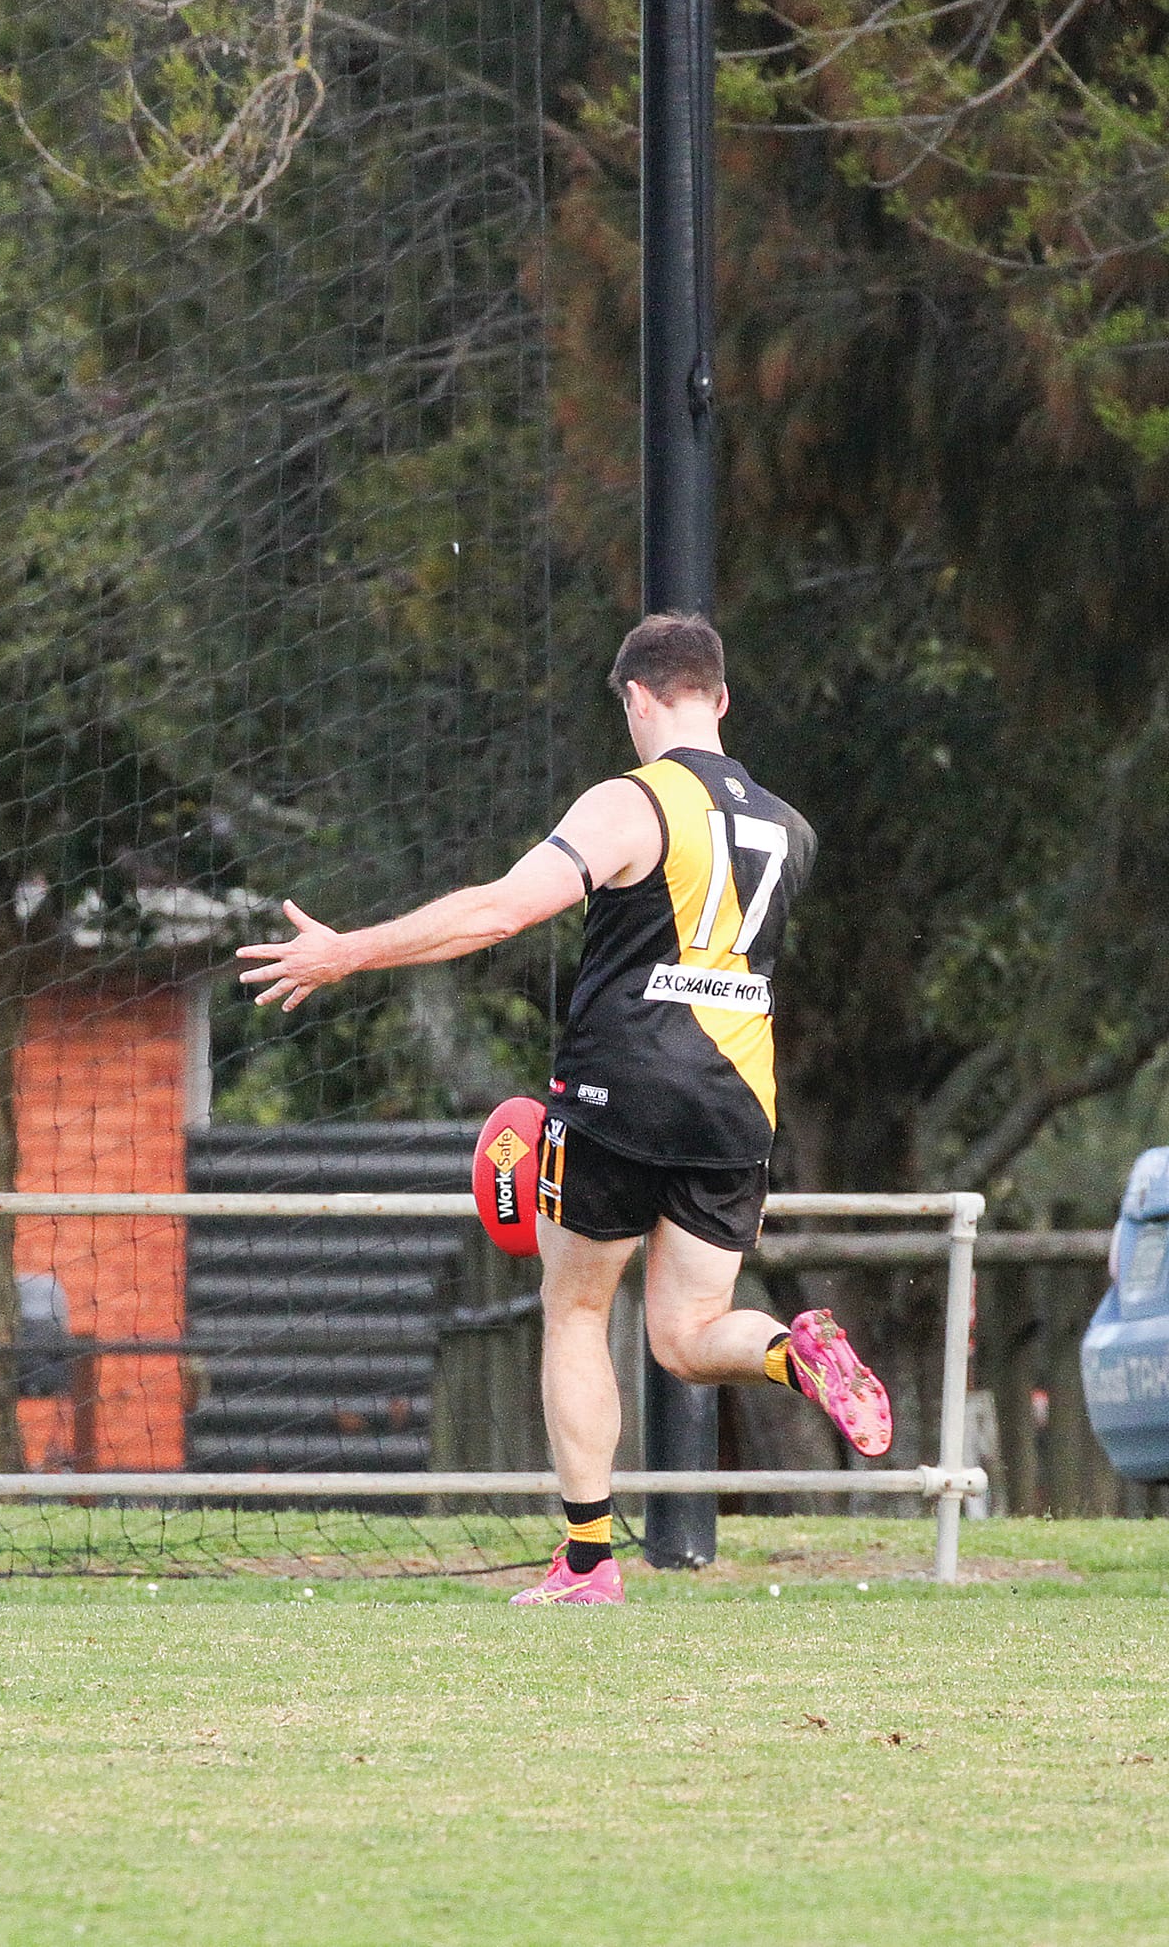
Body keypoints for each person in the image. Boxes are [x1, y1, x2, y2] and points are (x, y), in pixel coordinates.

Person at [235, 612, 891, 1607]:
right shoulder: (789, 828)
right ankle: (789, 1350)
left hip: (619, 1087)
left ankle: (587, 1560)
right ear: (718, 698)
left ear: (634, 699)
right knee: (686, 1332)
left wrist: (345, 951)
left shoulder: (628, 802)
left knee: (577, 1307)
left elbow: (501, 909)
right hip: (736, 1105)